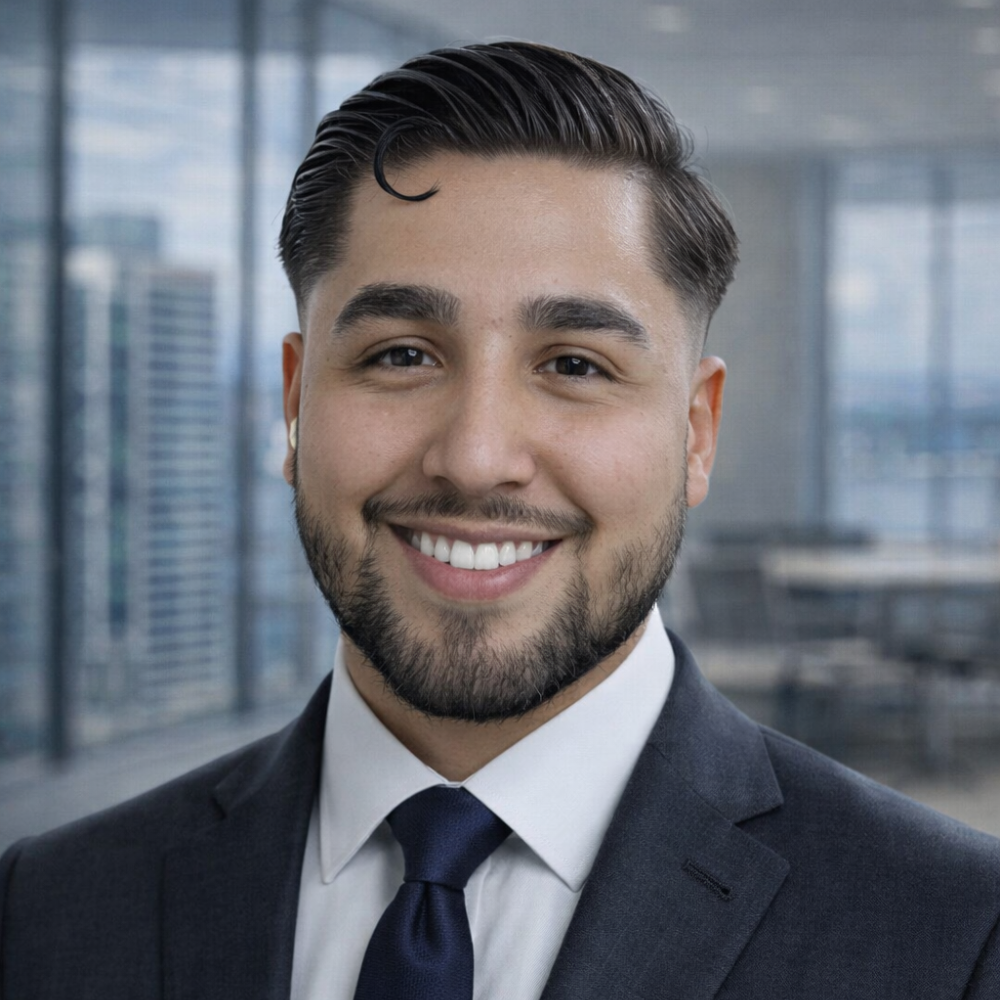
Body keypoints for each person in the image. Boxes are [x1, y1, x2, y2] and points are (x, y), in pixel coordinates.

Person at [1, 41, 998, 1000]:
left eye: (573, 365)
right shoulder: (47, 909)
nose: (476, 457)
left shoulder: (954, 934)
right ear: (296, 402)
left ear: (695, 434)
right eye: (400, 355)